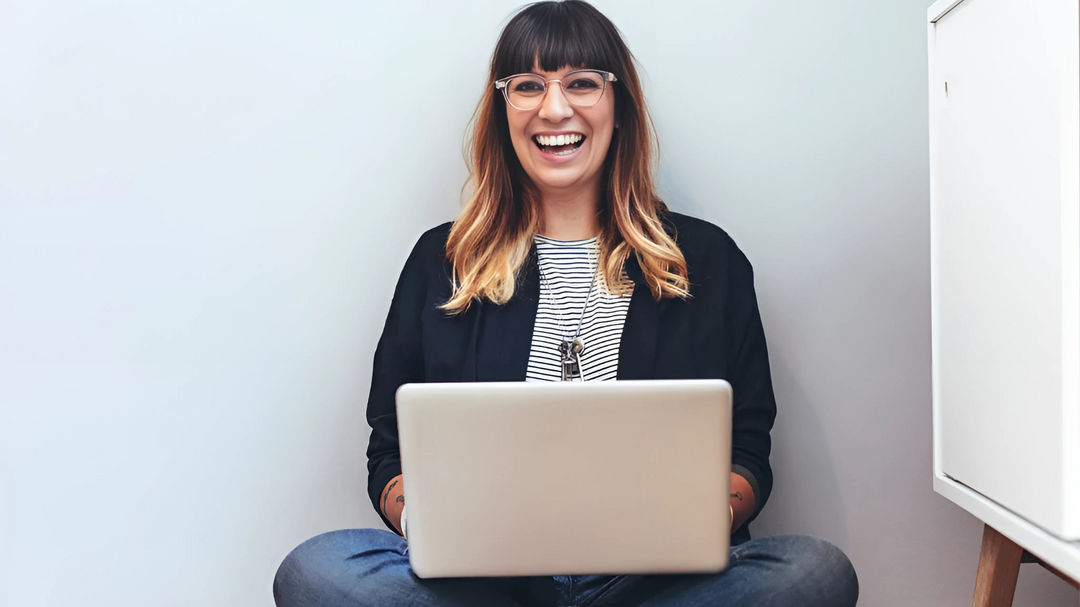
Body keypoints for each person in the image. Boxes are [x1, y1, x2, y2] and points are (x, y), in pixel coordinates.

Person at [274, 1, 859, 605]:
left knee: (813, 572)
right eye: (528, 86)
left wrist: (707, 517)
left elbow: (748, 447)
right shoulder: (442, 261)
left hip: (652, 583)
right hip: (486, 584)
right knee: (316, 570)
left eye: (582, 82)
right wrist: (418, 522)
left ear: (619, 102)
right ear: (504, 109)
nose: (554, 109)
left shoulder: (708, 261)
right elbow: (389, 447)